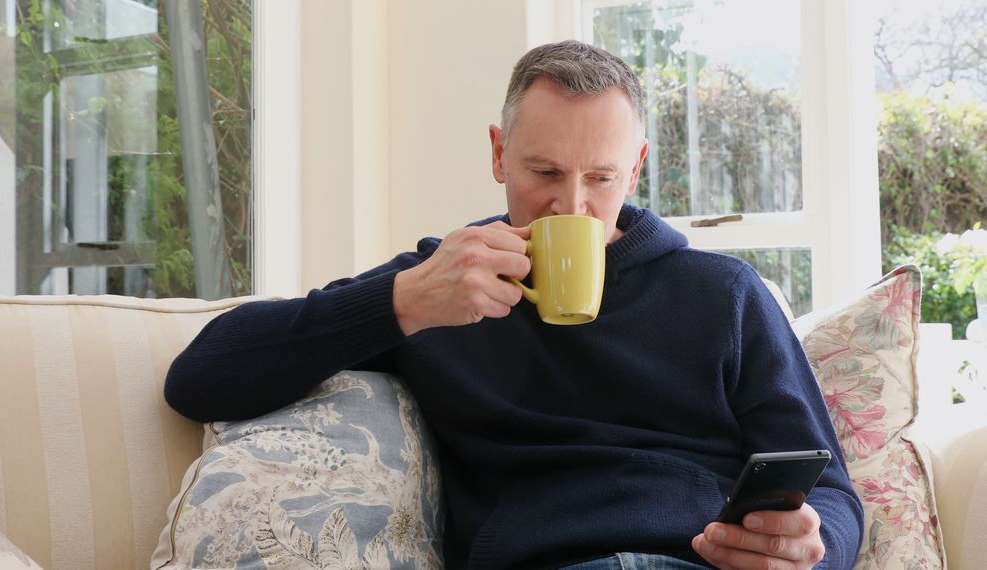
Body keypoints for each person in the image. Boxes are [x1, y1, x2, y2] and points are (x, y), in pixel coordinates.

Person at [165, 40, 863, 569]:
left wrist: (811, 546)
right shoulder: (437, 287)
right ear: (500, 155)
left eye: (602, 178)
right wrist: (403, 300)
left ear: (638, 167)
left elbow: (832, 491)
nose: (573, 206)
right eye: (545, 173)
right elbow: (200, 377)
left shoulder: (723, 293)